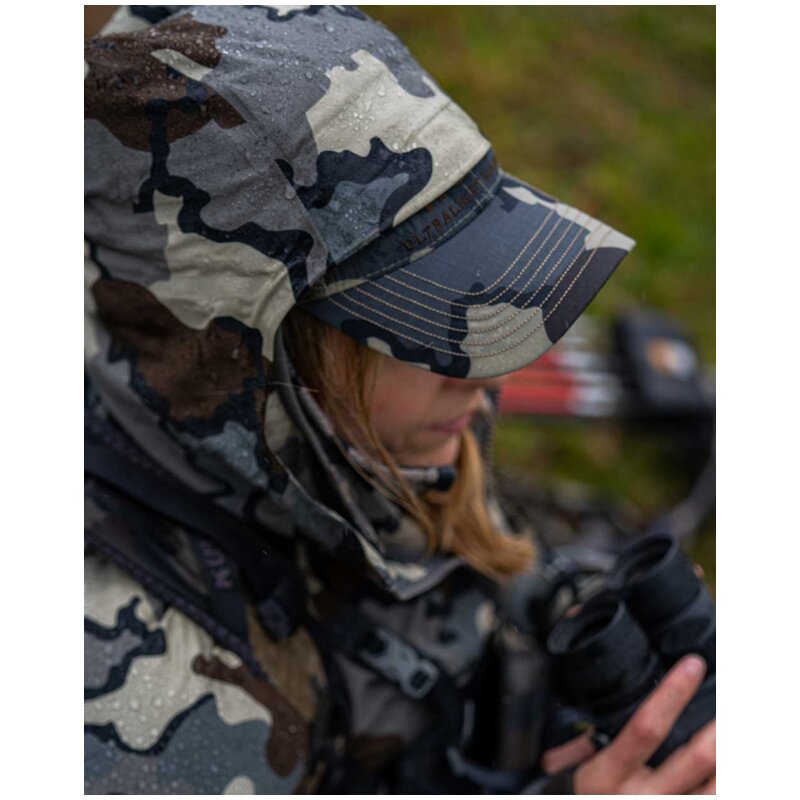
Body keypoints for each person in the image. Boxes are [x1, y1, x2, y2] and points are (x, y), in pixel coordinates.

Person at [84, 5, 715, 794]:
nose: (489, 382)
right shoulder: (141, 723)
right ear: (249, 357)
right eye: (423, 332)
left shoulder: (365, 423)